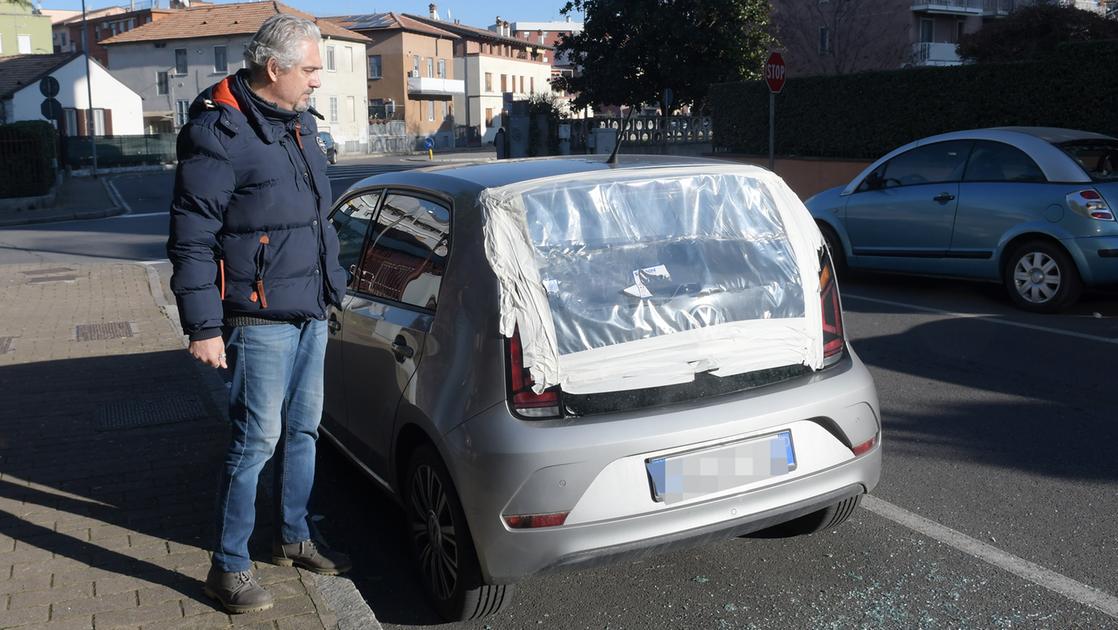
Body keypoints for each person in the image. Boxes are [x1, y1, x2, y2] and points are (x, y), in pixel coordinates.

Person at [166, 13, 350, 614]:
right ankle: (229, 566)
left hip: (310, 309)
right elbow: (192, 236)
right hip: (259, 315)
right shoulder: (219, 132)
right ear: (275, 68)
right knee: (256, 441)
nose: (318, 81)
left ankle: (295, 535)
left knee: (303, 431)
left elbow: (314, 219)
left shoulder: (298, 124)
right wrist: (204, 326)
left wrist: (334, 288)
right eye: (311, 69)